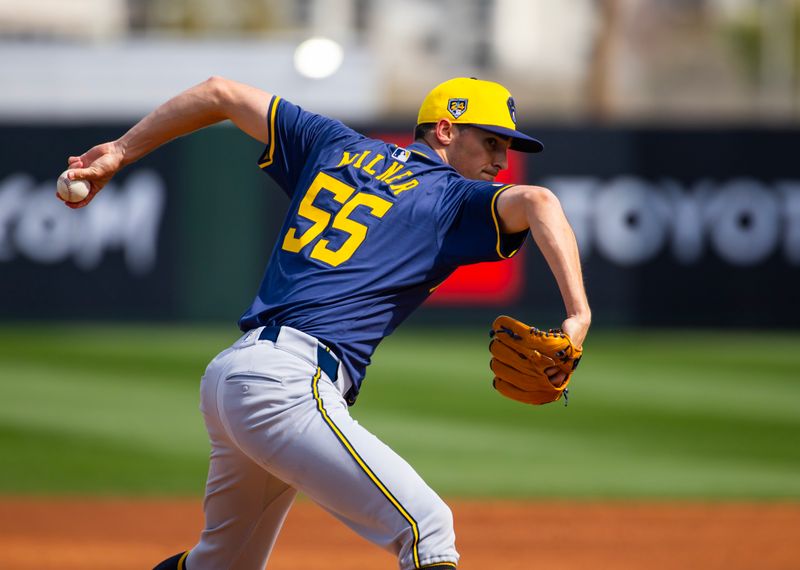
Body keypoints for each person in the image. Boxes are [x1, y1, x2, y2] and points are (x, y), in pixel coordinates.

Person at [62, 76, 591, 570]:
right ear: (446, 130)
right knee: (429, 530)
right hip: (286, 386)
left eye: (507, 147)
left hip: (232, 378)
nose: (501, 159)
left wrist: (120, 151)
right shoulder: (453, 199)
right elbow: (541, 202)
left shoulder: (334, 144)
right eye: (493, 141)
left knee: (222, 564)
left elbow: (219, 92)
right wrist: (578, 315)